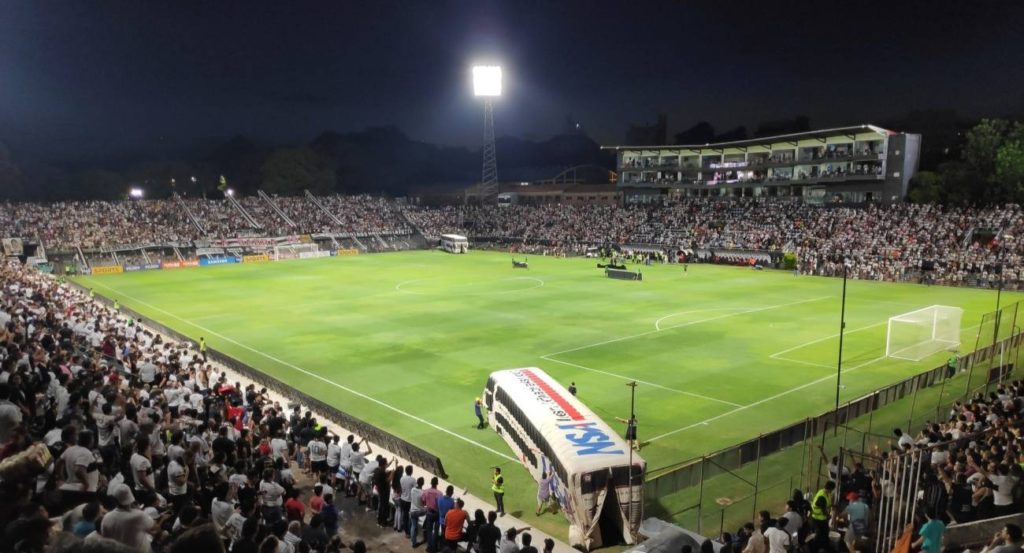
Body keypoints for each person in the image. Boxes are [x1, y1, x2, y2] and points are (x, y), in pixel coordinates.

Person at [810, 481, 835, 553]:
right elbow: (823, 510)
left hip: (822, 519)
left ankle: (825, 548)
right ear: (830, 489)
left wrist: (833, 506)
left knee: (825, 533)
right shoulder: (821, 496)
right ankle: (814, 549)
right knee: (819, 535)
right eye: (832, 489)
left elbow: (828, 504)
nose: (832, 491)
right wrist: (829, 516)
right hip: (817, 519)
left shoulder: (826, 493)